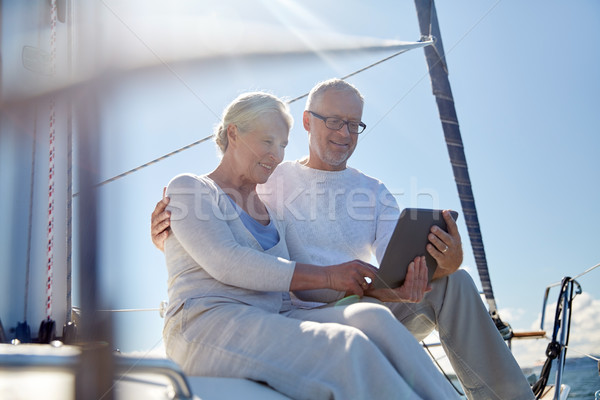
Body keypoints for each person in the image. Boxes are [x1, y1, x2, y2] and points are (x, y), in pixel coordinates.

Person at [153, 80, 535, 400]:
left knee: (443, 286)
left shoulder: (288, 197)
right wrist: (169, 236)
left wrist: (443, 262)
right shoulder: (256, 182)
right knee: (351, 345)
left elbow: (392, 271)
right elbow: (221, 253)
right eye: (335, 121)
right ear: (309, 122)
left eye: (354, 124)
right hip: (258, 315)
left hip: (345, 302)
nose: (345, 133)